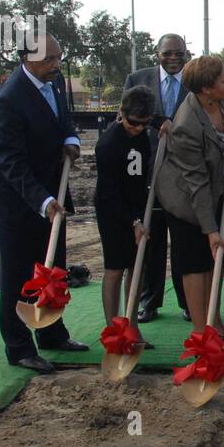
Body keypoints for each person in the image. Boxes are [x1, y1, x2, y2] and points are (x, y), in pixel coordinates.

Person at [0, 35, 88, 373]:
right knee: (19, 276)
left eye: (59, 57)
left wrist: (71, 139)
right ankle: (18, 347)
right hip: (19, 201)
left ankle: (51, 332)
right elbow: (10, 162)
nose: (56, 65)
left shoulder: (53, 83)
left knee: (53, 270)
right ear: (26, 59)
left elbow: (63, 119)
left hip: (52, 190)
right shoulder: (10, 99)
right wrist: (42, 200)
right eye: (49, 59)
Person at [155, 55, 224, 340]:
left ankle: (214, 318)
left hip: (215, 189)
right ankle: (200, 330)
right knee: (195, 261)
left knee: (216, 258)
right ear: (206, 89)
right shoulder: (186, 125)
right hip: (185, 199)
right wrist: (210, 229)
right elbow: (196, 182)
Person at [123, 34, 191, 323]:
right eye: (167, 53)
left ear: (186, 54)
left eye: (179, 53)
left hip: (183, 174)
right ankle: (149, 302)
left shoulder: (194, 82)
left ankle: (188, 302)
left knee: (183, 242)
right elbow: (127, 120)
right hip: (147, 171)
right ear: (157, 54)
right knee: (150, 241)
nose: (173, 58)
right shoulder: (137, 79)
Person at [94, 86, 153, 329]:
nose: (138, 128)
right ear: (121, 112)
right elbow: (110, 193)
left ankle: (132, 326)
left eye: (144, 124)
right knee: (115, 267)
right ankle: (114, 329)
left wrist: (163, 124)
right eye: (133, 122)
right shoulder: (107, 145)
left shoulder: (142, 132)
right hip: (113, 211)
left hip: (138, 206)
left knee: (137, 266)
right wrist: (133, 221)